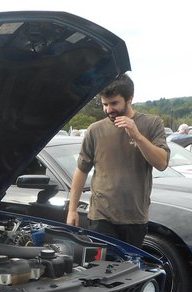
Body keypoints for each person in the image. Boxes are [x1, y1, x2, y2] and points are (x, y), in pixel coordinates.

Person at [66, 73, 169, 248]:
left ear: (130, 98)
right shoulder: (94, 130)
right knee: (103, 270)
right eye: (104, 104)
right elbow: (81, 169)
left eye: (114, 103)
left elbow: (161, 163)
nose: (108, 110)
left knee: (130, 270)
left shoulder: (152, 124)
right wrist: (72, 209)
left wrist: (137, 136)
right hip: (101, 216)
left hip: (135, 217)